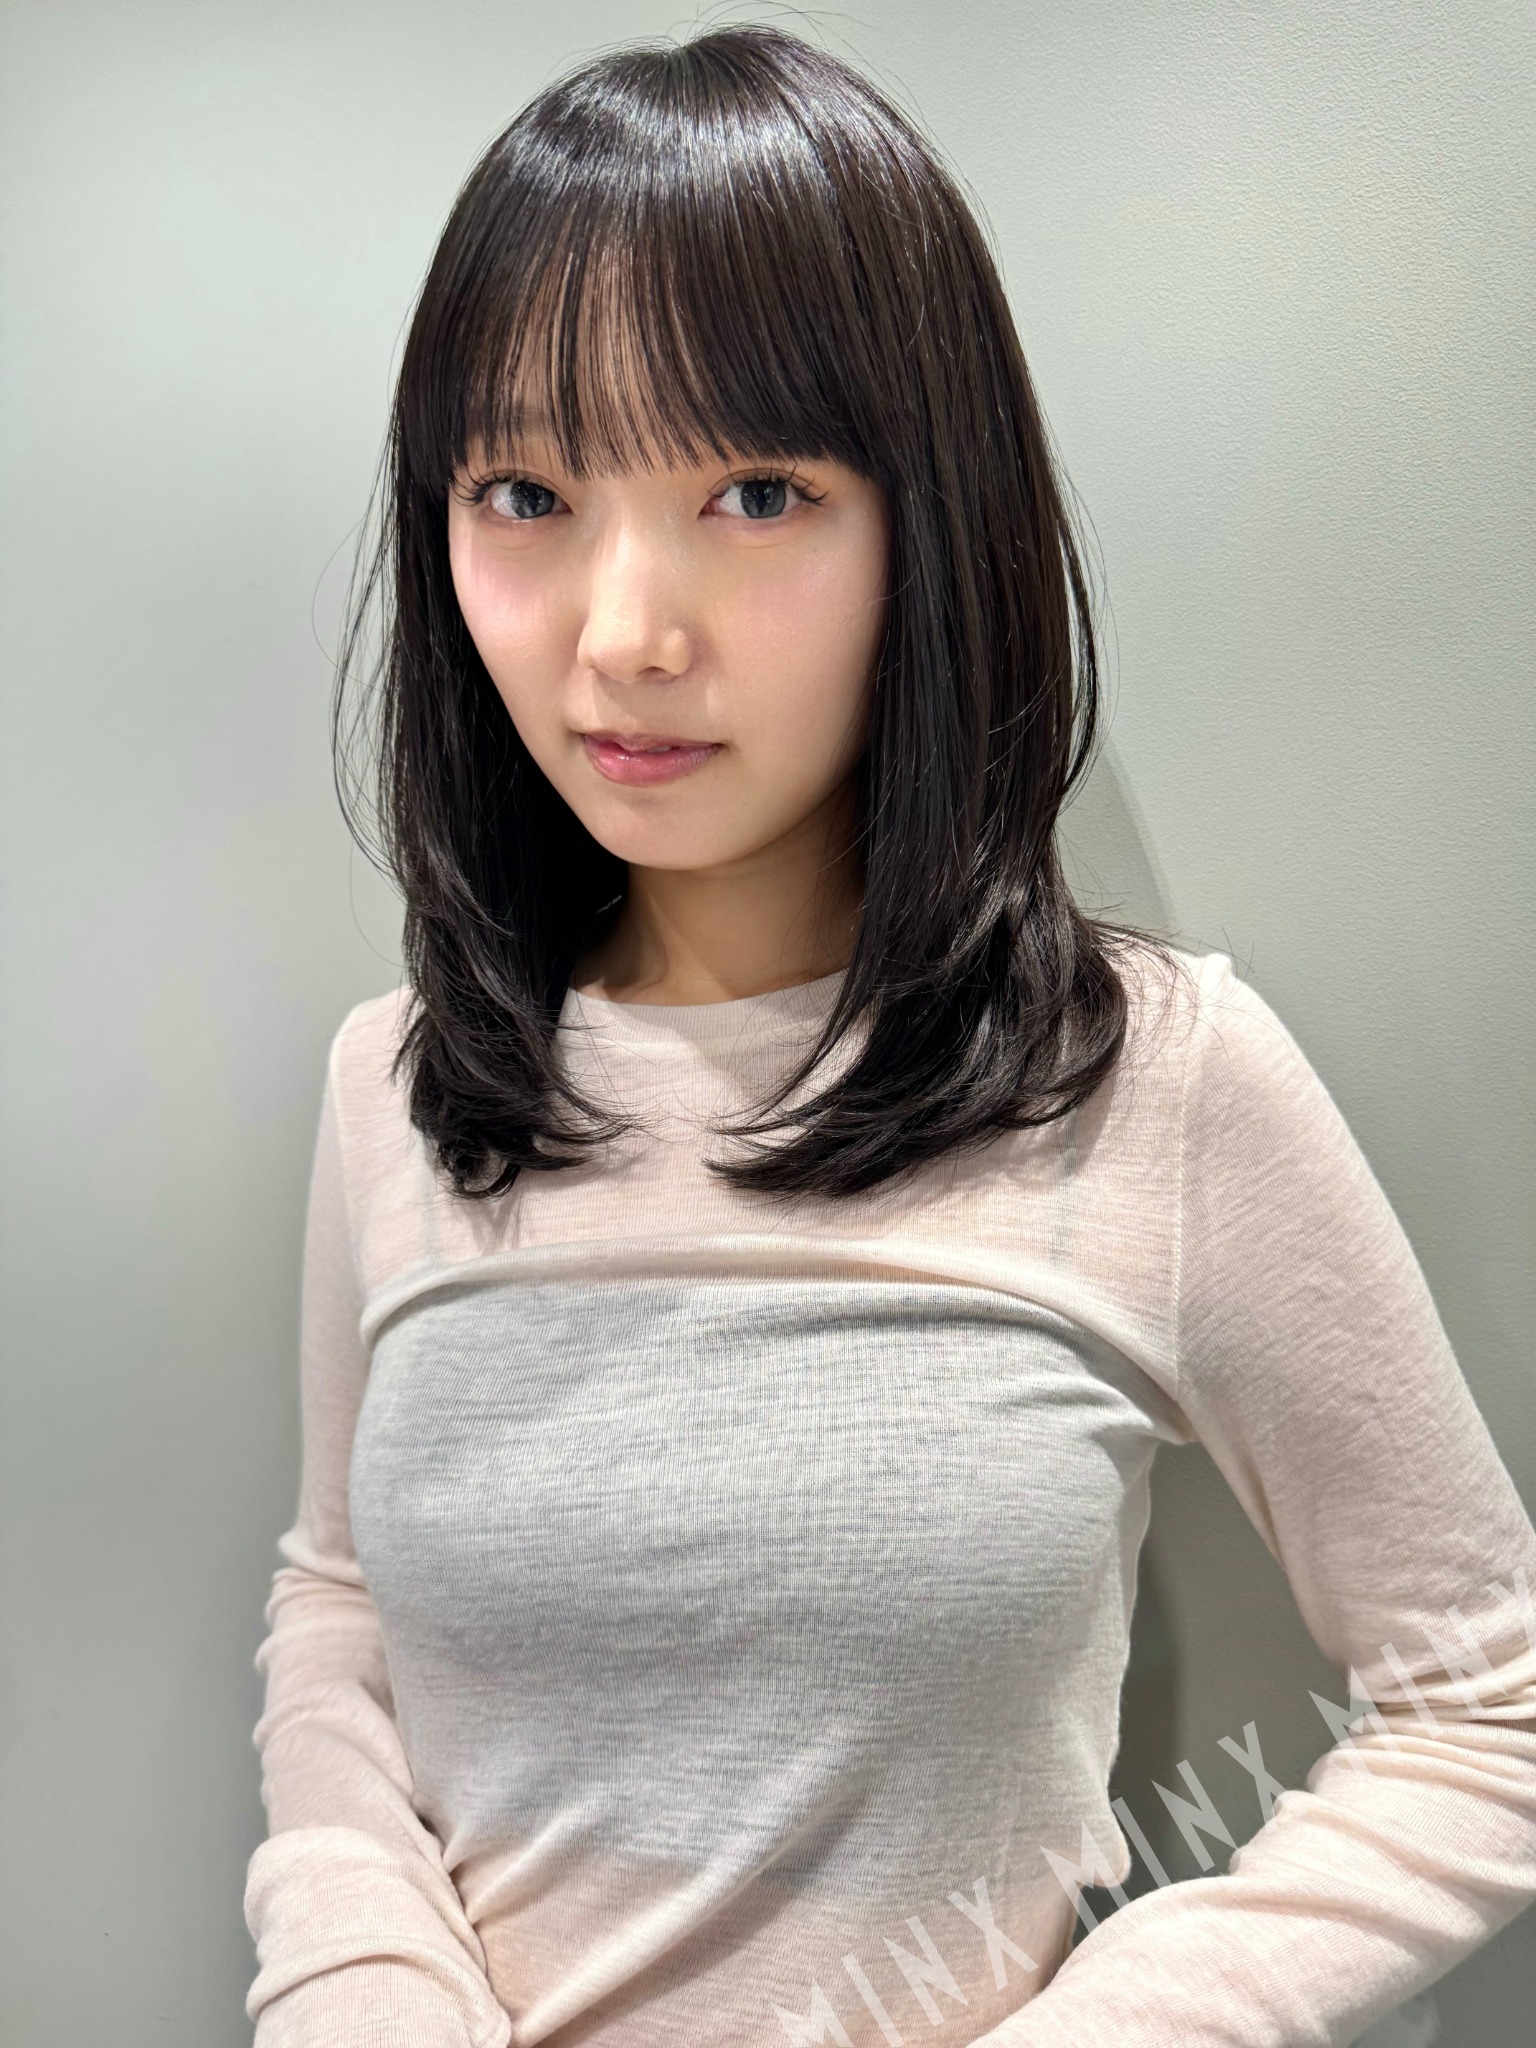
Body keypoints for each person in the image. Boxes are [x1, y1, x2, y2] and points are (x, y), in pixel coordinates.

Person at [243, 24, 1536, 2046]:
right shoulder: (394, 1089)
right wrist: (355, 1975)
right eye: (525, 492)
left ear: (929, 526)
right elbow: (339, 1604)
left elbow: (1493, 1701)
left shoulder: (1155, 1081)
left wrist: (1126, 2020)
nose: (624, 631)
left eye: (756, 491)